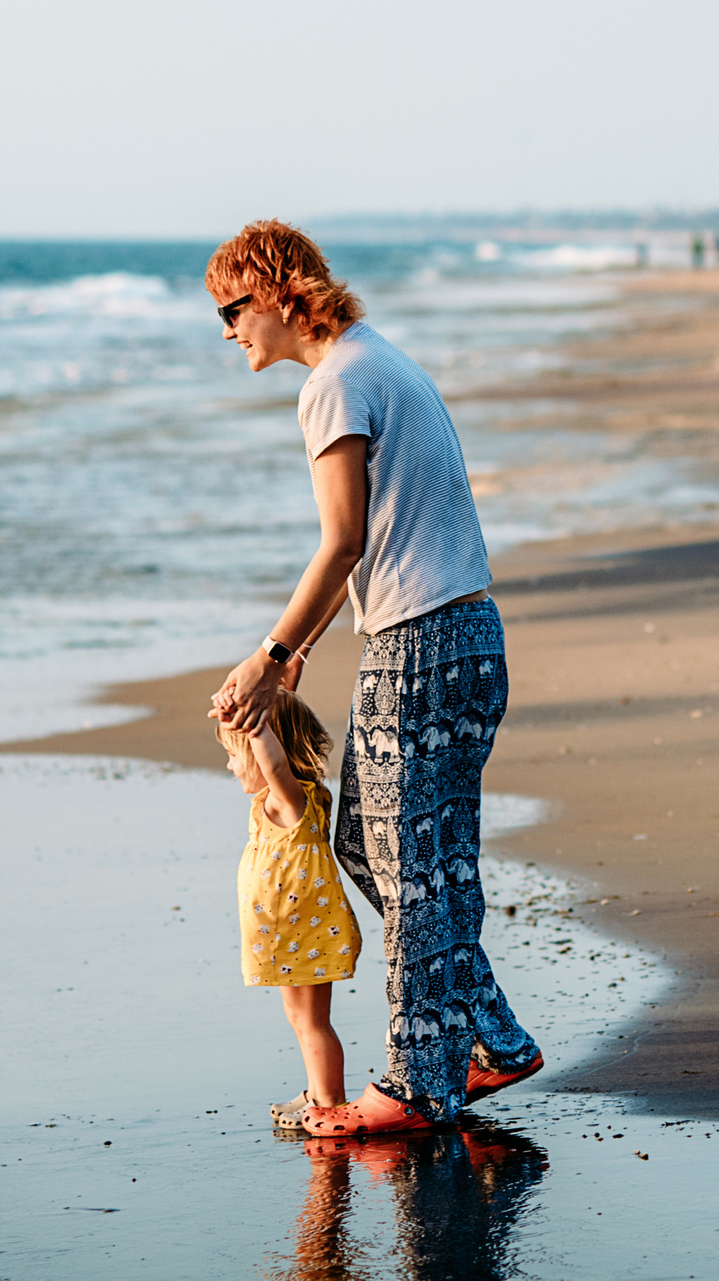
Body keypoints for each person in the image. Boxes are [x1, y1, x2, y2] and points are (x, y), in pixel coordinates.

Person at [206, 219, 544, 1137]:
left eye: (233, 309)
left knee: (411, 867)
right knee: (378, 848)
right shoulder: (378, 359)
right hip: (467, 633)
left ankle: (412, 1082)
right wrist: (305, 652)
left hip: (421, 647)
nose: (229, 329)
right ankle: (492, 1040)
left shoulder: (336, 382)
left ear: (279, 294)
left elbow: (344, 540)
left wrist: (272, 659)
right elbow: (384, 535)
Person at [216, 689, 357, 1129]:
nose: (229, 765)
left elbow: (274, 766)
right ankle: (317, 1091)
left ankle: (331, 1105)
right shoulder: (273, 803)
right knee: (299, 1017)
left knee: (314, 1022)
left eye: (234, 754)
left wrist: (255, 724)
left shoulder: (290, 799)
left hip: (307, 933)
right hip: (288, 933)